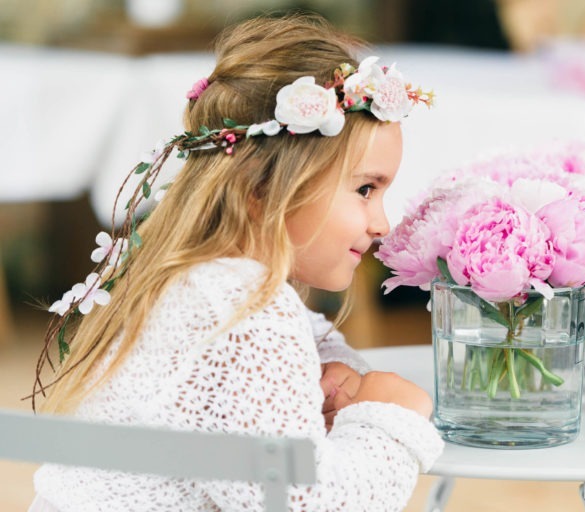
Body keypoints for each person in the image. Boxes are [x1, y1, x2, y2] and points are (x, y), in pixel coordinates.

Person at [29, 14, 443, 512]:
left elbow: (314, 344)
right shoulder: (244, 307)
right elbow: (306, 506)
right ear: (262, 188)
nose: (383, 224)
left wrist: (339, 376)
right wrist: (387, 417)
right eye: (365, 189)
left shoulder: (202, 281)